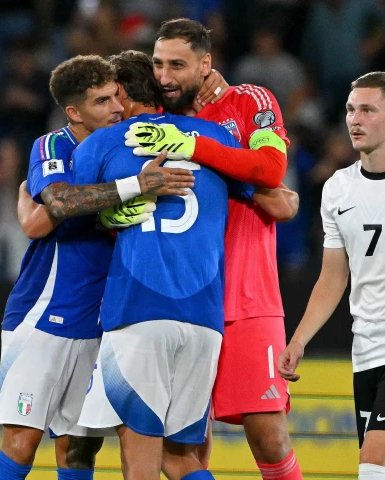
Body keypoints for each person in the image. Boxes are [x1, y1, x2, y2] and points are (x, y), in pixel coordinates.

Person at [0, 54, 195, 480]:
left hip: (103, 322)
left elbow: (42, 218)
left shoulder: (127, 147)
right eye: (102, 101)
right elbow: (59, 203)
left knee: (79, 451)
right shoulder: (54, 146)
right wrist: (138, 186)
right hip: (46, 313)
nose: (116, 109)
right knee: (21, 445)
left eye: (116, 97)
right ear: (74, 112)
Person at [124, 18, 304, 480]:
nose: (164, 76)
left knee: (268, 432)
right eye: (158, 64)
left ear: (206, 64)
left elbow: (269, 167)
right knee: (186, 447)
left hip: (247, 294)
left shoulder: (250, 101)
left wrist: (194, 144)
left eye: (178, 66)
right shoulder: (151, 124)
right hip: (180, 299)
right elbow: (273, 196)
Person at [277, 71, 385, 480]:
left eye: (367, 110)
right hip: (366, 347)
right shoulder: (338, 189)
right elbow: (333, 278)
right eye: (351, 109)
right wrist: (298, 340)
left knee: (374, 465)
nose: (354, 119)